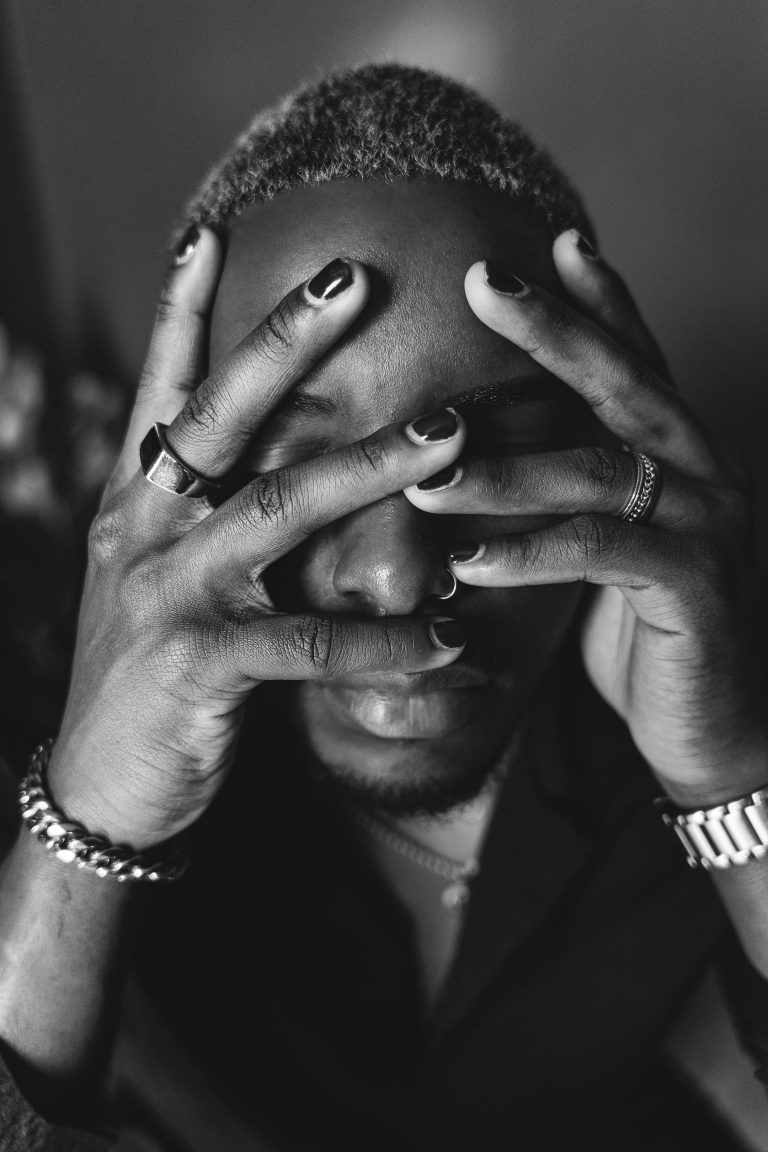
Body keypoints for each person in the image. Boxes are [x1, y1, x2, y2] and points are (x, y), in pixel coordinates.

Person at [1, 63, 767, 1151]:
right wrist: (86, 822)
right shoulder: (36, 720)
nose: (399, 580)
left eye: (496, 455)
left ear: (609, 453)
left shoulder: (708, 686)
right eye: (294, 470)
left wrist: (731, 780)